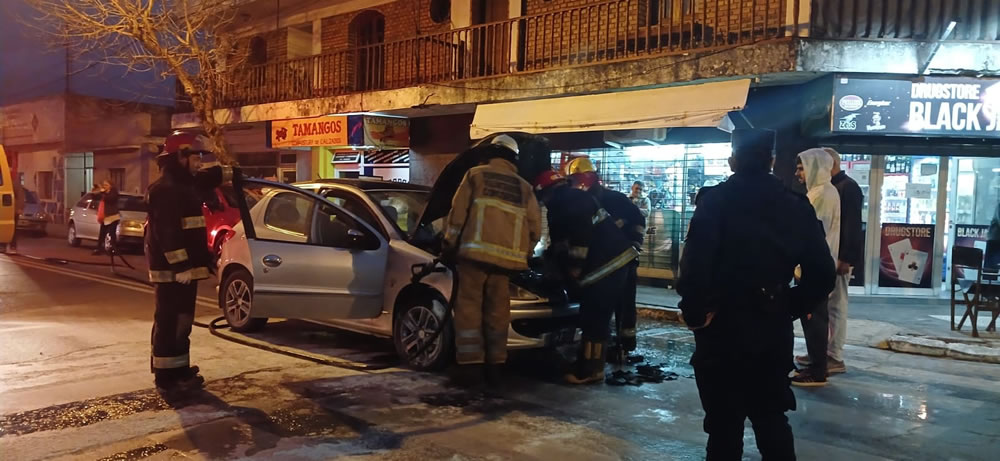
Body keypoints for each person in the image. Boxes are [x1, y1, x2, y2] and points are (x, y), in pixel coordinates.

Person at [677, 129, 835, 460]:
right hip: (770, 326)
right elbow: (822, 274)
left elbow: (693, 267)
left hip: (721, 326)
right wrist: (788, 305)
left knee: (723, 426)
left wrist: (695, 314)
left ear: (732, 161)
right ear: (772, 161)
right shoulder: (796, 206)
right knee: (771, 419)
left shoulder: (714, 201)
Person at [443, 135, 542, 388]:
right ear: (513, 159)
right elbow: (535, 228)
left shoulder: (475, 176)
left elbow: (458, 213)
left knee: (469, 310)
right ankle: (496, 366)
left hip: (474, 257)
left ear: (491, 153)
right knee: (498, 312)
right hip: (506, 263)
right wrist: (524, 253)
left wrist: (448, 244)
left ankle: (470, 367)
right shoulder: (524, 187)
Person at [146, 131, 233, 391]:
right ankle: (167, 378)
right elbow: (167, 232)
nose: (199, 163)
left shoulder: (185, 184)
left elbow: (209, 177)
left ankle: (179, 369)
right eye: (196, 157)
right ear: (181, 157)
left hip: (186, 272)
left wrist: (234, 172)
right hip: (173, 273)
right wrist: (181, 265)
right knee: (170, 322)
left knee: (182, 323)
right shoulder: (165, 190)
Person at [535, 170, 638, 384]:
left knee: (594, 318)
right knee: (597, 316)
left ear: (546, 193)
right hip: (614, 263)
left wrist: (574, 267)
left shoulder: (569, 201)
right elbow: (560, 242)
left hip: (606, 266)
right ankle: (592, 364)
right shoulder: (567, 202)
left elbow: (580, 235)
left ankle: (590, 371)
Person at [565, 157, 646, 357]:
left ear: (587, 177)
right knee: (606, 306)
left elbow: (638, 220)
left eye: (575, 179)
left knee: (624, 305)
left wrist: (635, 244)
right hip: (606, 262)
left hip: (623, 259)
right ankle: (613, 345)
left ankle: (623, 346)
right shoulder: (586, 199)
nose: (573, 184)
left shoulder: (615, 198)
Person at [790, 148, 841, 387]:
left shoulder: (821, 195)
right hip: (818, 266)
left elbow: (809, 233)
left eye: (802, 168)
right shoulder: (824, 192)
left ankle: (818, 370)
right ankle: (816, 362)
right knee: (813, 317)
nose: (798, 173)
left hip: (814, 267)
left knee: (815, 318)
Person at [818, 148, 862, 375]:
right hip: (831, 256)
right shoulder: (833, 187)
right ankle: (822, 351)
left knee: (837, 306)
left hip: (839, 257)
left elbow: (852, 225)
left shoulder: (848, 187)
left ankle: (834, 355)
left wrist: (846, 257)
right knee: (826, 307)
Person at [94, 180, 121, 255]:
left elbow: (110, 199)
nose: (105, 186)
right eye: (104, 185)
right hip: (105, 217)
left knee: (112, 233)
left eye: (106, 185)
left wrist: (103, 192)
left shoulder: (114, 193)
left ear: (110, 186)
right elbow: (95, 197)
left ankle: (113, 249)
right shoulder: (104, 193)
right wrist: (96, 190)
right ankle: (98, 249)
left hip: (113, 217)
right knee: (102, 233)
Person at [7, 181, 25, 254]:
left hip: (12, 210)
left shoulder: (15, 183)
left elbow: (20, 196)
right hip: (6, 210)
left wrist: (19, 208)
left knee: (13, 229)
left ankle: (13, 245)